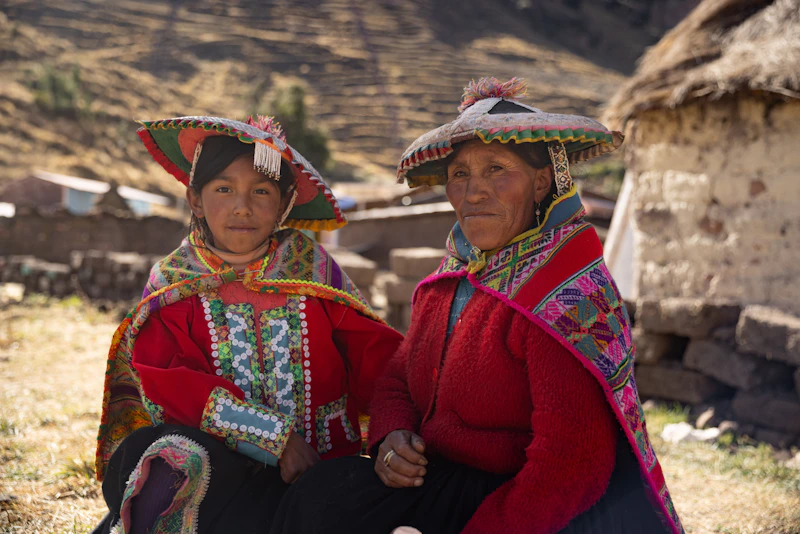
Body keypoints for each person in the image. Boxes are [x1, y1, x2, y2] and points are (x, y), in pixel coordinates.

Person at [270, 78, 684, 534]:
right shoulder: (450, 281)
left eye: (496, 169)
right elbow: (398, 378)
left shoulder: (566, 298)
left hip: (529, 502)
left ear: (542, 182)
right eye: (460, 174)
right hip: (444, 479)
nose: (473, 192)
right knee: (321, 496)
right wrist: (392, 437)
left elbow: (571, 465)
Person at [91, 115, 403, 534]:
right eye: (224, 189)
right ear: (195, 199)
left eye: (261, 191)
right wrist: (275, 438)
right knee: (171, 461)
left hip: (317, 473)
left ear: (284, 203)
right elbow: (173, 384)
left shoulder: (314, 274)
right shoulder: (175, 284)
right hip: (217, 479)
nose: (243, 206)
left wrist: (395, 429)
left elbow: (380, 363)